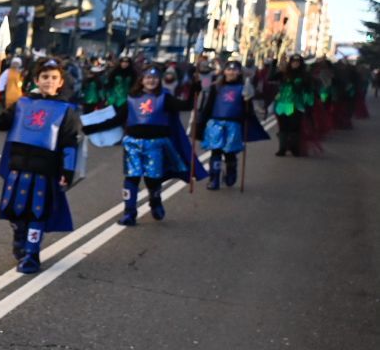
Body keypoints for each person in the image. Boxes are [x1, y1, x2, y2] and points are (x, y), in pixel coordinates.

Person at [0, 58, 82, 274]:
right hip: (18, 168)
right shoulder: (22, 103)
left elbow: (70, 143)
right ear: (36, 79)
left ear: (60, 82)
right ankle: (20, 241)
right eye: (45, 77)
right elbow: (0, 124)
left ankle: (31, 254)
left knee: (37, 213)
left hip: (45, 171)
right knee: (15, 212)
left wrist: (66, 172)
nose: (49, 81)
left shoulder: (66, 109)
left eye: (53, 78)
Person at [110, 67, 194, 225]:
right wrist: (92, 127)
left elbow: (186, 106)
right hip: (133, 143)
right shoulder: (132, 98)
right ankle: (129, 212)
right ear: (141, 80)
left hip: (155, 144)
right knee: (131, 177)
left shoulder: (165, 98)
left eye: (154, 78)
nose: (151, 80)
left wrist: (194, 87)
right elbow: (117, 119)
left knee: (152, 178)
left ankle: (155, 202)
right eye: (147, 77)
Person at [193, 59, 268, 190]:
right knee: (215, 152)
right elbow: (208, 106)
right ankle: (214, 179)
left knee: (229, 152)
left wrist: (247, 100)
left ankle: (230, 173)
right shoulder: (216, 87)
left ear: (239, 72)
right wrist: (200, 122)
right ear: (224, 71)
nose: (231, 72)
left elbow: (248, 110)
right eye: (229, 69)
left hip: (233, 124)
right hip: (215, 124)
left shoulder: (243, 87)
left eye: (234, 70)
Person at [273, 54, 315, 157]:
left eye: (297, 62)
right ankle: (282, 148)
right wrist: (274, 64)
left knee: (294, 127)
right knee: (283, 127)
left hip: (297, 104)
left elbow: (309, 90)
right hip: (283, 104)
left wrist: (308, 104)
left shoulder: (305, 75)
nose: (295, 64)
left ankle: (294, 148)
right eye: (293, 62)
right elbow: (271, 77)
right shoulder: (284, 73)